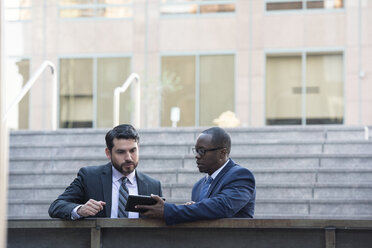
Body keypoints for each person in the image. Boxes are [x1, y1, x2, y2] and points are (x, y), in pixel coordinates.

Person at [137, 127, 256, 225]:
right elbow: (201, 214)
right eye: (196, 150)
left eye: (202, 151)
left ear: (222, 153)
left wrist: (169, 210)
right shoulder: (198, 186)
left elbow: (221, 207)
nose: (197, 156)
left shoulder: (241, 176)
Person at [48, 124, 162, 220]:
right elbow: (56, 206)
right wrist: (80, 210)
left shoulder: (153, 185)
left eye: (133, 150)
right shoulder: (89, 177)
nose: (128, 157)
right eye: (121, 152)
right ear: (108, 153)